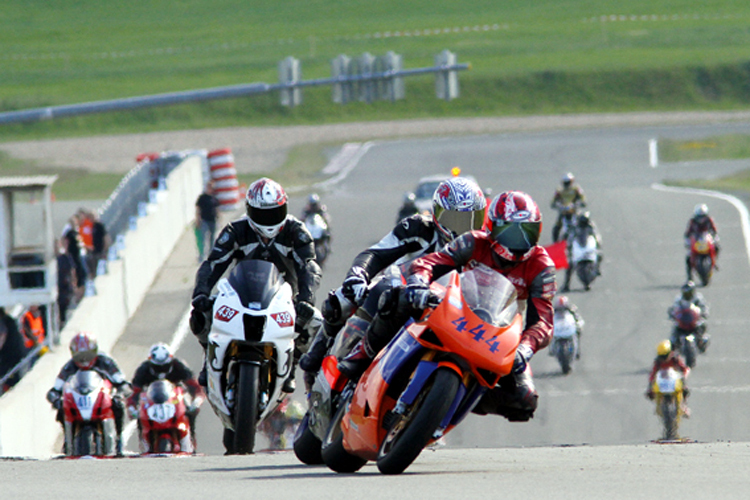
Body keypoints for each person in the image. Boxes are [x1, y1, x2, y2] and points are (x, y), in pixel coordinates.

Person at [338, 190, 556, 423]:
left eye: (529, 232)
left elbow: (543, 322)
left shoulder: (542, 267)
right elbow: (430, 262)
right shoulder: (473, 241)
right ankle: (362, 354)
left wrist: (524, 349)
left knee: (525, 401)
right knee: (397, 298)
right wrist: (418, 282)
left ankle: (447, 403)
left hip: (500, 335)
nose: (520, 242)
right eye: (513, 232)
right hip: (453, 309)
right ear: (493, 226)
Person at [300, 176, 487, 375]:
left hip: (448, 310)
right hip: (396, 291)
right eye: (455, 219)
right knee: (342, 299)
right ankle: (320, 348)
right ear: (437, 214)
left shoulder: (483, 250)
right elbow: (376, 253)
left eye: (470, 219)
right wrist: (358, 276)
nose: (462, 228)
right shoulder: (418, 228)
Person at [189, 177, 322, 394]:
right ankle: (209, 356)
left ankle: (292, 366)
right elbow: (213, 264)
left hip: (283, 299)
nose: (269, 221)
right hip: (240, 294)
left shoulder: (297, 232)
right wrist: (201, 293)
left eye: (274, 212)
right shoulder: (235, 230)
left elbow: (309, 267)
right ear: (250, 210)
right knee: (200, 315)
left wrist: (306, 299)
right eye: (263, 214)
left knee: (315, 322)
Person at [45, 332, 131, 455]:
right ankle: (67, 438)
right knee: (62, 408)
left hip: (101, 399)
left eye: (88, 354)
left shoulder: (105, 362)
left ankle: (118, 440)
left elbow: (121, 381)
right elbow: (56, 388)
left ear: (95, 351)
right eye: (80, 356)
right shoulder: (70, 366)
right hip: (79, 400)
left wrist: (121, 393)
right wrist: (55, 398)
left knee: (118, 406)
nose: (84, 360)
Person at [127, 343, 204, 451]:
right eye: (157, 367)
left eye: (165, 366)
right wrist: (132, 407)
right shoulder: (143, 369)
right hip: (152, 400)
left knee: (190, 413)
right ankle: (144, 444)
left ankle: (191, 441)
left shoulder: (179, 365)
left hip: (175, 398)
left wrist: (196, 401)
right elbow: (134, 392)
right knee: (140, 418)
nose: (161, 370)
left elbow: (194, 386)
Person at [646, 340, 691, 417]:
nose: (663, 359)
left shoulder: (675, 359)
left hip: (674, 380)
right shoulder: (658, 362)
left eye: (665, 356)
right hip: (662, 381)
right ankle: (659, 406)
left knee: (685, 390)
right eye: (661, 357)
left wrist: (684, 376)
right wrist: (650, 386)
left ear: (670, 353)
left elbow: (685, 369)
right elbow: (653, 374)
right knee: (651, 393)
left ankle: (683, 406)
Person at [561, 211, 602, 292]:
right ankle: (566, 284)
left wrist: (598, 243)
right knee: (569, 265)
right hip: (578, 247)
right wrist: (568, 246)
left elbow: (596, 236)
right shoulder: (575, 227)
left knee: (600, 255)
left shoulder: (591, 226)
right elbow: (570, 237)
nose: (583, 223)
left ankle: (597, 268)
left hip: (588, 247)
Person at [667, 281, 710, 353]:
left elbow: (704, 307)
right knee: (675, 329)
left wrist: (704, 313)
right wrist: (672, 314)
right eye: (686, 293)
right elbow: (674, 308)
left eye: (689, 293)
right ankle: (673, 345)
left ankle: (701, 340)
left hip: (694, 319)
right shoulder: (679, 299)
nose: (687, 294)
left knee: (702, 325)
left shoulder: (698, 298)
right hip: (683, 319)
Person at [684, 203, 720, 280]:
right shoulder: (692, 221)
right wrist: (687, 240)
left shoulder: (709, 220)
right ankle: (690, 277)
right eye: (699, 217)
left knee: (717, 247)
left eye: (703, 216)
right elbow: (688, 232)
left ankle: (714, 261)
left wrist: (715, 237)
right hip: (696, 240)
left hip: (706, 239)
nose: (701, 219)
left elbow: (714, 230)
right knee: (688, 258)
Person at [550, 173, 586, 242]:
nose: (567, 184)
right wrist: (556, 205)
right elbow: (553, 201)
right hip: (563, 212)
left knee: (584, 222)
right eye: (565, 182)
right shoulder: (559, 191)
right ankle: (555, 243)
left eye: (568, 182)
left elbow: (582, 198)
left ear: (571, 181)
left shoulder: (576, 189)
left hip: (574, 211)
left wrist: (581, 203)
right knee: (556, 227)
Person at [0, 308, 28, 393]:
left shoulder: (4, 321)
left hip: (10, 352)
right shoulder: (10, 320)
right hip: (17, 351)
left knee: (5, 371)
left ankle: (9, 387)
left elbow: (2, 335)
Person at [551, 295, 584, 359]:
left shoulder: (572, 309)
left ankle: (577, 350)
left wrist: (579, 324)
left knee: (578, 333)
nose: (561, 309)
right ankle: (551, 348)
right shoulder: (552, 310)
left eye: (563, 307)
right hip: (558, 328)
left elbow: (578, 317)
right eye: (560, 307)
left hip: (568, 327)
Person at [195, 181, 220, 261]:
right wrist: (198, 219)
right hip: (204, 220)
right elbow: (198, 209)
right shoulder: (202, 198)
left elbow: (217, 209)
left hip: (213, 220)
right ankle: (202, 255)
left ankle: (211, 255)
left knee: (212, 238)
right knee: (203, 238)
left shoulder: (214, 198)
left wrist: (219, 219)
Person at [56, 239, 76, 326]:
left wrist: (74, 284)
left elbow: (72, 271)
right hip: (57, 287)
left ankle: (63, 322)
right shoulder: (53, 259)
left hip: (65, 287)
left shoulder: (65, 257)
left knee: (65, 306)